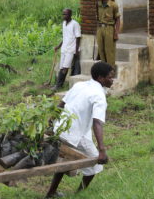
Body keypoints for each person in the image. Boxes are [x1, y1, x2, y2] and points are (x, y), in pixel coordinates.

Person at [46, 62, 113, 198]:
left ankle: (51, 193)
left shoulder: (79, 85)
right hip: (74, 135)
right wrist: (102, 150)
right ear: (100, 78)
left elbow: (61, 104)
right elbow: (97, 123)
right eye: (110, 77)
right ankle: (79, 194)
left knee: (66, 160)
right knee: (95, 165)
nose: (112, 80)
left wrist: (51, 123)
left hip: (61, 128)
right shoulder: (99, 95)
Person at [52, 8, 81, 91]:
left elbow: (78, 37)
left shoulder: (75, 24)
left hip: (71, 49)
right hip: (64, 48)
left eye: (66, 14)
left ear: (70, 15)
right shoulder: (64, 23)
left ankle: (58, 85)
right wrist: (58, 46)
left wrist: (76, 50)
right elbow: (65, 37)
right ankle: (59, 84)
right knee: (61, 67)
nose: (64, 16)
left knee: (65, 67)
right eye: (63, 14)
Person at [96, 0, 120, 71]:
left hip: (109, 28)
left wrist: (116, 33)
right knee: (101, 49)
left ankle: (111, 70)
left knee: (109, 51)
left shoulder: (113, 5)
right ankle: (104, 70)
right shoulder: (98, 4)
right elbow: (97, 16)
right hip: (100, 29)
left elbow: (118, 20)